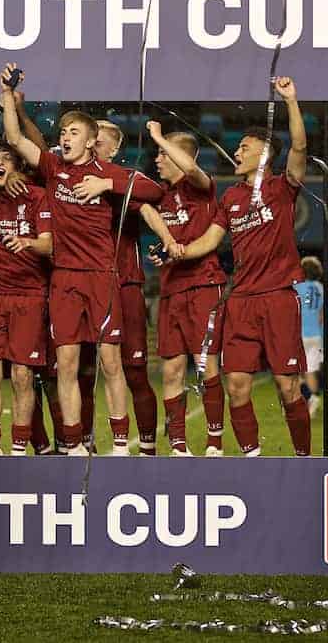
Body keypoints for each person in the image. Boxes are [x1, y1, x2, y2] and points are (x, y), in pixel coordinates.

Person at [0, 63, 165, 456]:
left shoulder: (108, 173)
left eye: (74, 133)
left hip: (101, 279)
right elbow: (14, 137)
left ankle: (122, 444)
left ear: (91, 142)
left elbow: (155, 191)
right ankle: (73, 443)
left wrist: (107, 183)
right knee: (67, 364)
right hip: (64, 280)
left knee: (111, 362)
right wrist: (8, 96)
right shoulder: (54, 170)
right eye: (63, 133)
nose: (65, 138)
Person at [166, 76, 311, 456]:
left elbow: (299, 145)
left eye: (245, 147)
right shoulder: (230, 197)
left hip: (278, 297)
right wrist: (178, 249)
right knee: (236, 385)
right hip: (241, 301)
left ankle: (304, 459)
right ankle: (251, 457)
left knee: (288, 386)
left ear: (264, 155)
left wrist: (291, 101)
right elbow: (211, 241)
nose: (237, 151)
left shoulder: (283, 187)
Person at [142, 121, 228, 456]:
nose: (157, 160)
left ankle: (215, 443)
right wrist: (163, 251)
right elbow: (144, 207)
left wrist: (160, 137)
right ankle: (178, 445)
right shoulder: (160, 196)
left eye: (162, 155)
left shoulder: (202, 188)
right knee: (172, 369)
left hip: (204, 286)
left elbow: (191, 167)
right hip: (171, 289)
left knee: (206, 363)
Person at [0, 141, 53, 455]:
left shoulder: (36, 196)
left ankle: (19, 449)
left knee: (22, 374)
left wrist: (27, 242)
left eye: (5, 158)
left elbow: (49, 245)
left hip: (29, 295)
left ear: (18, 165)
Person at [93, 120, 165, 456]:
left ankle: (148, 447)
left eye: (101, 139)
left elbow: (152, 198)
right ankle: (78, 443)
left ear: (116, 149)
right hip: (82, 284)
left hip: (125, 283)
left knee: (134, 370)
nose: (94, 143)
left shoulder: (125, 179)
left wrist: (168, 239)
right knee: (80, 370)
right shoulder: (69, 179)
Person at [294, 256, 328, 415]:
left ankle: (306, 399)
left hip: (299, 334)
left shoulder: (297, 287)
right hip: (316, 335)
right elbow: (326, 315)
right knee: (311, 370)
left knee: (294, 371)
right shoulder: (322, 289)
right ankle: (312, 402)